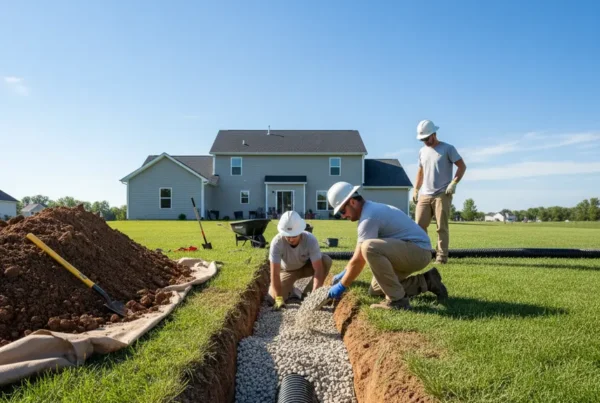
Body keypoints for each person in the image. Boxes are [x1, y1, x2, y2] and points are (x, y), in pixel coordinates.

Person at [326, 182, 447, 310]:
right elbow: (357, 256)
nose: (343, 216)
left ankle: (398, 301)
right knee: (376, 290)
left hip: (418, 251)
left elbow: (359, 260)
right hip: (410, 251)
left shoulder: (369, 218)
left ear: (352, 202)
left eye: (342, 211)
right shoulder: (369, 211)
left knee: (369, 247)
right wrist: (344, 273)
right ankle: (427, 281)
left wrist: (341, 286)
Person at [413, 119, 467, 264]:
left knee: (441, 227)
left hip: (442, 193)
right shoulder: (422, 151)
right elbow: (421, 171)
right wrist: (416, 189)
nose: (425, 141)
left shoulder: (448, 148)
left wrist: (454, 183)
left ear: (434, 134)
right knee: (419, 226)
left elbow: (462, 166)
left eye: (426, 138)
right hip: (425, 194)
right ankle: (422, 254)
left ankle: (441, 257)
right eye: (422, 139)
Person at [268, 210, 332, 310]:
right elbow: (274, 273)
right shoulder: (276, 243)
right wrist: (279, 299)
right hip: (287, 271)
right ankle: (293, 291)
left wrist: (314, 298)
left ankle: (308, 295)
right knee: (272, 298)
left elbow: (318, 269)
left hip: (305, 267)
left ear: (300, 232)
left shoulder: (310, 240)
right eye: (288, 236)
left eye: (294, 236)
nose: (291, 239)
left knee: (326, 260)